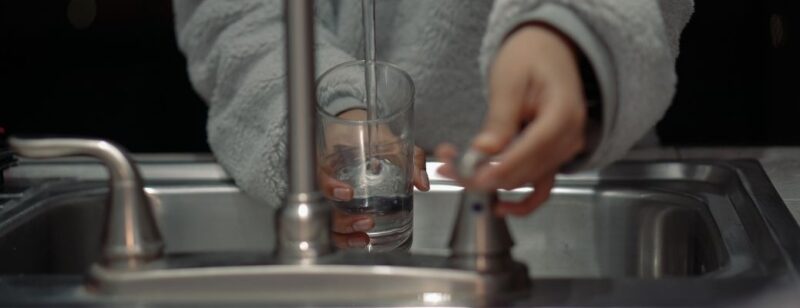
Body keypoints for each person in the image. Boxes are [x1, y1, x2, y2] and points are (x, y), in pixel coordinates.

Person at [172, 0, 694, 248]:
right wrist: (316, 107)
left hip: (570, 213)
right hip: (339, 225)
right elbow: (233, 12)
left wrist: (565, 32)